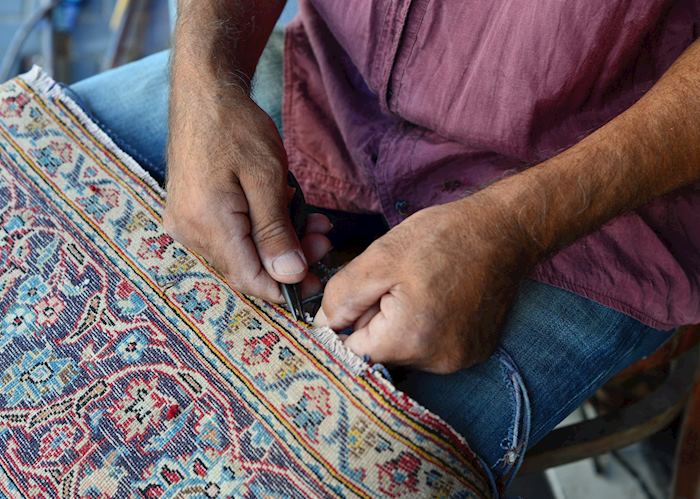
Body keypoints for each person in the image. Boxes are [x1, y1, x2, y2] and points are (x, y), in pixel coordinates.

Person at [70, 0, 700, 485]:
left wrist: (518, 227)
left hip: (606, 191)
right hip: (334, 75)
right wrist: (205, 85)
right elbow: (206, 82)